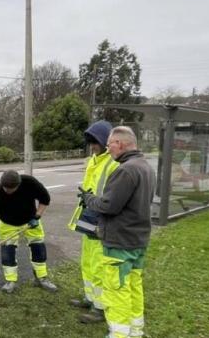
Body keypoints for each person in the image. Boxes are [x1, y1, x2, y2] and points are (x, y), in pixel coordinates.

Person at [80, 126, 155, 338]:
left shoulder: (125, 170)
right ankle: (135, 330)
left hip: (120, 241)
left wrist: (89, 199)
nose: (108, 148)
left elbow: (108, 205)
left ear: (120, 144)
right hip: (138, 240)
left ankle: (120, 334)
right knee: (133, 286)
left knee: (116, 291)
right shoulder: (145, 167)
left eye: (110, 144)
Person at [68, 120, 119, 323]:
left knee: (99, 265)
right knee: (87, 261)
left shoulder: (113, 163)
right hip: (89, 215)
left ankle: (100, 308)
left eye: (95, 143)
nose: (92, 147)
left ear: (104, 142)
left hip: (102, 218)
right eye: (90, 143)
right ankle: (90, 298)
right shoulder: (93, 160)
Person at [0, 170, 57, 293]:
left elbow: (45, 199)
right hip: (8, 224)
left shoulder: (30, 183)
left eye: (11, 189)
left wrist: (37, 217)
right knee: (8, 252)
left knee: (38, 247)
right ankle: (10, 281)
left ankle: (41, 278)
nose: (8, 191)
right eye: (6, 188)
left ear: (18, 184)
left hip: (30, 222)